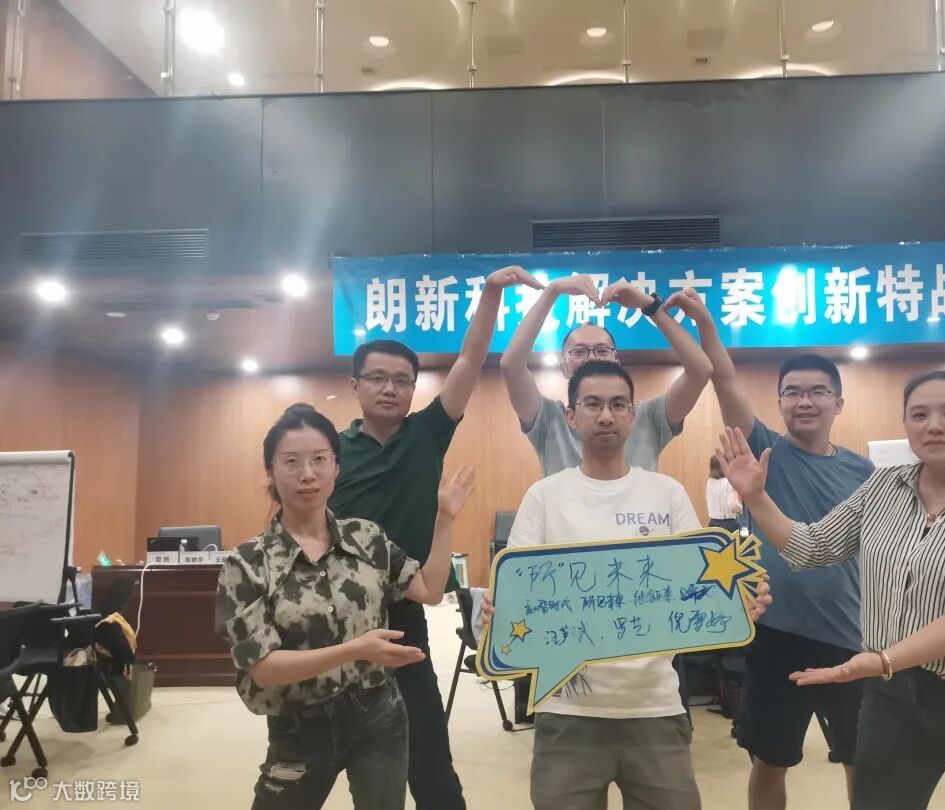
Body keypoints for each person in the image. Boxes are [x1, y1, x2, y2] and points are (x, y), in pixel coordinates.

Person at [716, 370, 945, 810]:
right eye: (920, 414)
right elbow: (812, 547)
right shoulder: (883, 487)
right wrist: (758, 498)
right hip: (893, 696)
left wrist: (883, 659)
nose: (934, 425)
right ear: (906, 424)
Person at [484, 361, 771, 810]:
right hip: (566, 710)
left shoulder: (666, 493)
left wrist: (739, 602)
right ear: (571, 415)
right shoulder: (544, 496)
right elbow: (517, 593)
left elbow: (700, 590)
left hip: (655, 707)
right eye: (593, 404)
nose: (606, 415)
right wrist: (498, 610)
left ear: (633, 415)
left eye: (619, 405)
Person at [327, 265, 541, 810]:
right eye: (377, 377)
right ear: (354, 385)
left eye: (402, 380)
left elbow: (469, 360)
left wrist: (490, 292)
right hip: (332, 619)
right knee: (327, 749)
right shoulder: (329, 452)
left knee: (429, 755)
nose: (390, 388)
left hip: (404, 612)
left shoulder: (427, 432)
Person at [669, 290, 873, 810]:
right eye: (792, 392)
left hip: (851, 635)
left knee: (862, 759)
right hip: (775, 634)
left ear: (838, 403)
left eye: (818, 391)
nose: (805, 401)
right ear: (779, 402)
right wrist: (705, 320)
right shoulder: (764, 451)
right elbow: (723, 378)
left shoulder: (864, 472)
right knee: (769, 760)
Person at [215, 403, 476, 810]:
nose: (307, 473)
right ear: (270, 471)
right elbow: (263, 669)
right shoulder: (247, 563)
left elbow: (428, 589)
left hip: (380, 716)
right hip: (299, 726)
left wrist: (444, 519)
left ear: (337, 467)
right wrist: (355, 650)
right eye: (291, 461)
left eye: (320, 459)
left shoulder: (366, 538)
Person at [500, 273, 713, 476]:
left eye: (602, 350)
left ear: (616, 363)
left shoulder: (647, 417)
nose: (592, 358)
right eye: (579, 352)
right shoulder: (548, 419)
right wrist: (552, 291)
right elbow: (511, 365)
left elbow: (701, 370)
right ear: (563, 368)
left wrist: (649, 305)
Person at [706, 455, 742, 534]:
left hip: (712, 523)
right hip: (729, 525)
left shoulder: (710, 482)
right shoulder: (729, 482)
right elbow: (733, 506)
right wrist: (740, 507)